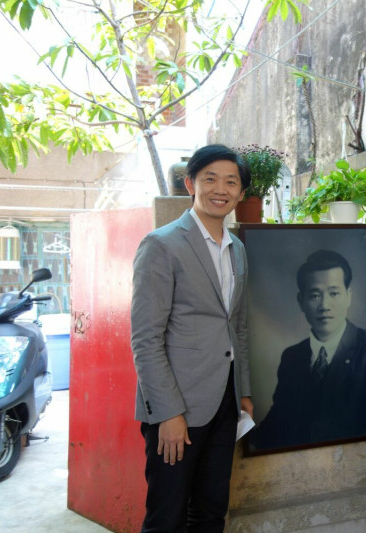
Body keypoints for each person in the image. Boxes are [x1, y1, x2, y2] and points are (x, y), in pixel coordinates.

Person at [130, 144, 253, 532]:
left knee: (211, 512)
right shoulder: (162, 244)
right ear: (190, 184)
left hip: (223, 405)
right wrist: (167, 413)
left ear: (241, 193)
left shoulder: (238, 251)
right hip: (177, 408)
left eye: (231, 182)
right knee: (166, 517)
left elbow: (239, 327)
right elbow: (146, 338)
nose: (221, 189)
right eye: (210, 179)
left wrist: (243, 390)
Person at [253, 250, 366, 449]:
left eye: (334, 293)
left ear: (348, 296)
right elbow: (278, 422)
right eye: (315, 295)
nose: (324, 305)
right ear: (301, 301)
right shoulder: (292, 357)